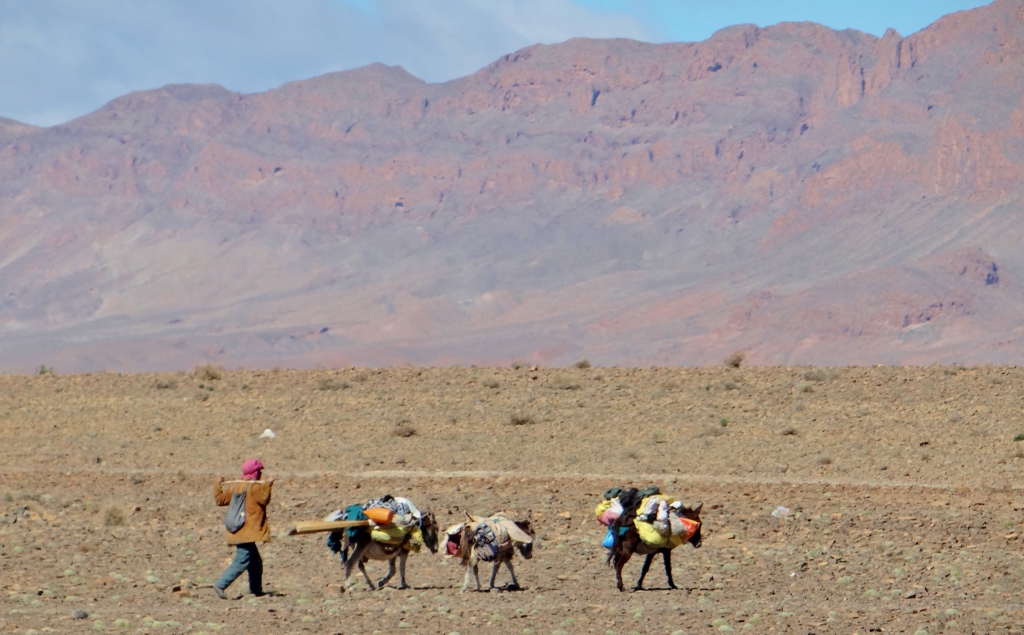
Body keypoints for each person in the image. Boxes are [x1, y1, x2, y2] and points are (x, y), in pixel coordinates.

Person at [212, 458, 275, 599]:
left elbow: (220, 500)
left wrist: (217, 484)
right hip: (246, 531)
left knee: (255, 563)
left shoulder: (235, 486)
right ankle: (221, 584)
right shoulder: (254, 487)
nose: (260, 474)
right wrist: (268, 484)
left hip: (238, 529)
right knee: (242, 560)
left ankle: (256, 591)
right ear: (255, 472)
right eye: (259, 471)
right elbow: (264, 499)